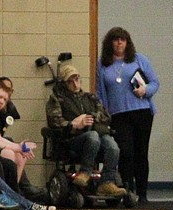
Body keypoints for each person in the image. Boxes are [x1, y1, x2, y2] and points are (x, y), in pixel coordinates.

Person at [96, 27, 159, 204]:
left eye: (122, 40)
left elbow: (155, 83)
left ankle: (143, 193)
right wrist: (105, 114)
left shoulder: (140, 59)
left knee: (141, 152)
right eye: (115, 40)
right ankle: (127, 190)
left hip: (141, 112)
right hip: (118, 115)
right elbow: (100, 92)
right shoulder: (103, 64)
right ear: (110, 43)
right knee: (125, 153)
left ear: (127, 42)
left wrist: (145, 90)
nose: (119, 43)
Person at [46, 64, 125, 197]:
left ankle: (107, 182)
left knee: (113, 146)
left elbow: (106, 116)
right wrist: (74, 124)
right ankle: (85, 172)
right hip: (72, 139)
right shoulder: (57, 99)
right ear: (65, 83)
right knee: (92, 136)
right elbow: (54, 121)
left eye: (76, 79)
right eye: (70, 81)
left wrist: (91, 117)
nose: (75, 84)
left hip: (97, 135)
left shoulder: (90, 98)